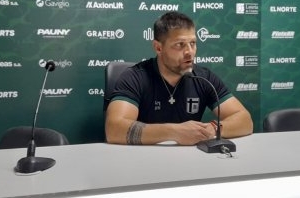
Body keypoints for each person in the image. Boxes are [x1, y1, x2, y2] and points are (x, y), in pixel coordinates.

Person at [105, 11, 253, 145]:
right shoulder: (134, 77)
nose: (189, 52)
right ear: (158, 47)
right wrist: (174, 132)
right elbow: (114, 129)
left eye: (193, 43)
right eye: (179, 45)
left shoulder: (204, 77)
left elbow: (245, 120)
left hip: (191, 160)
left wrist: (213, 128)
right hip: (142, 159)